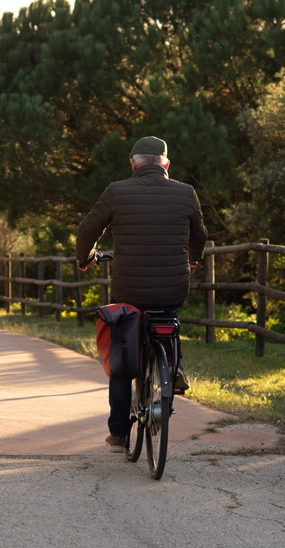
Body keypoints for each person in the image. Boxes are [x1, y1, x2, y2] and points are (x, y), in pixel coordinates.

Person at [75, 136, 207, 453]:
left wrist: (86, 259)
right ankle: (173, 367)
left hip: (129, 289)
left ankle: (119, 434)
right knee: (168, 316)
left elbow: (86, 231)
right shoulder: (186, 192)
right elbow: (200, 235)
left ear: (133, 163)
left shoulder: (116, 191)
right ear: (165, 164)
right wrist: (193, 258)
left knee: (123, 354)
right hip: (173, 288)